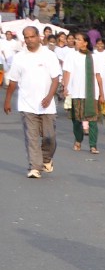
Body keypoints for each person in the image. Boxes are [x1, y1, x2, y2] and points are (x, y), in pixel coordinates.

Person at [3, 26, 61, 177]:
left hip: (47, 105)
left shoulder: (49, 55)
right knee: (32, 137)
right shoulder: (19, 58)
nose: (29, 40)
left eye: (32, 37)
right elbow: (13, 81)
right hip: (27, 104)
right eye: (26, 37)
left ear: (39, 37)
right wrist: (7, 100)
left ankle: (46, 159)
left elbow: (56, 79)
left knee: (50, 137)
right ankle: (34, 167)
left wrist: (49, 97)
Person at [62, 31, 100, 154]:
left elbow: (98, 75)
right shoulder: (71, 56)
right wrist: (65, 87)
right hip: (76, 92)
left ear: (85, 42)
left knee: (93, 120)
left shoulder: (94, 57)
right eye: (75, 39)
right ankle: (78, 140)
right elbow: (67, 72)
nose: (75, 41)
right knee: (77, 119)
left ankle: (93, 145)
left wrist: (102, 93)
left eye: (78, 39)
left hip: (91, 93)